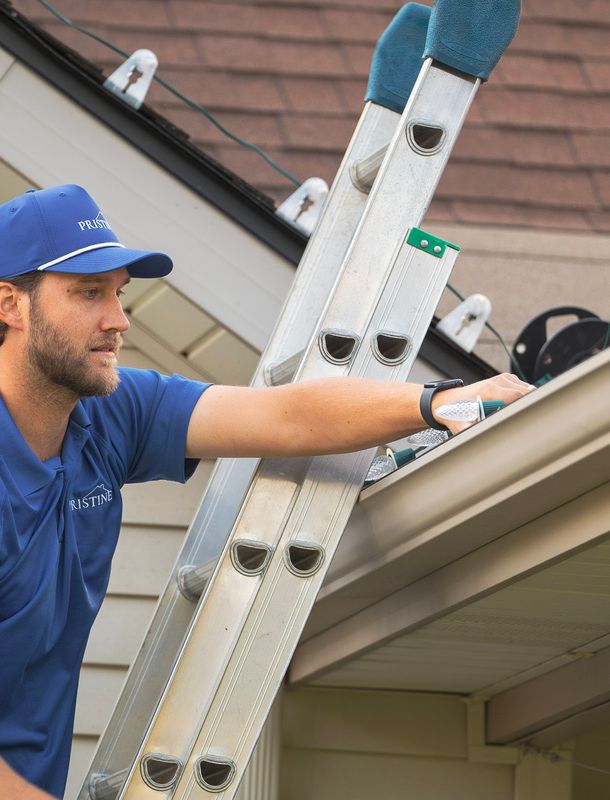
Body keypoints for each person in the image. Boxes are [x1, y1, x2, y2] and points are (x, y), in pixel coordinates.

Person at [0, 185, 532, 799]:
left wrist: (437, 402)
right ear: (11, 305)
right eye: (88, 293)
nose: (118, 320)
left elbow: (287, 416)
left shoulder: (110, 415)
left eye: (118, 293)